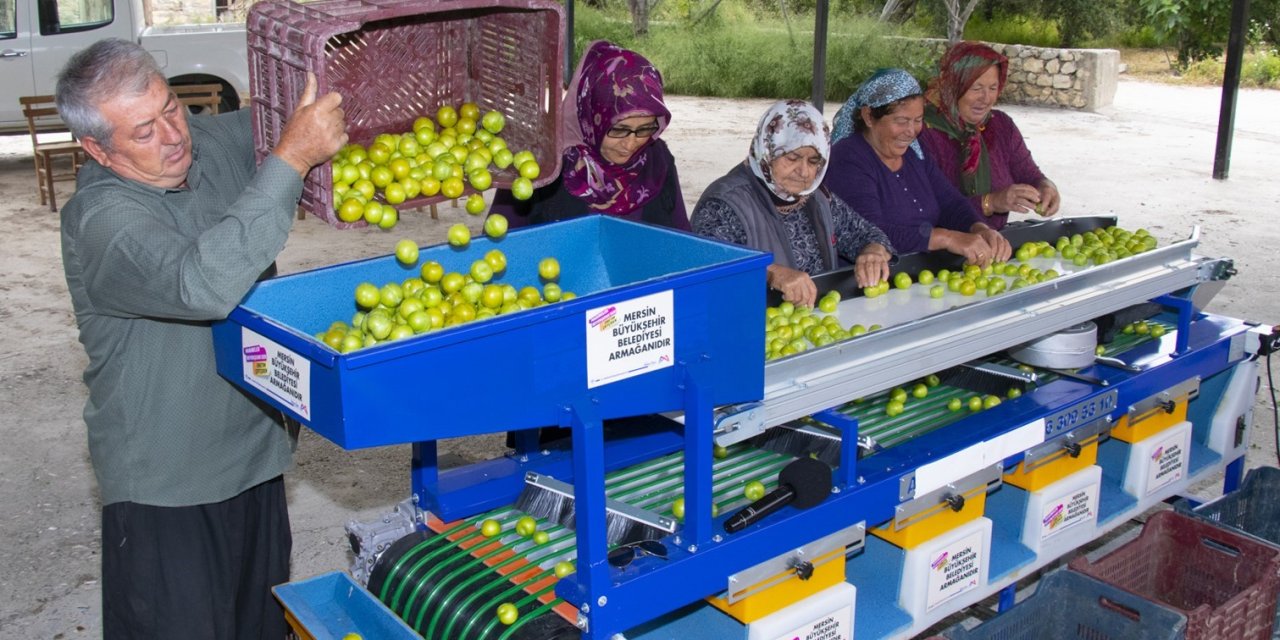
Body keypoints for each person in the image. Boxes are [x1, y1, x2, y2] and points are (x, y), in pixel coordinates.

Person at [56, 38, 346, 639]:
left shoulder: (203, 146)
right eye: (143, 131)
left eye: (170, 109)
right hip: (169, 488)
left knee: (260, 628)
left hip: (253, 458)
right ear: (97, 149)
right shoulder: (103, 222)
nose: (172, 136)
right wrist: (289, 162)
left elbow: (298, 117)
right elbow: (202, 284)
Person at [692, 99, 894, 307]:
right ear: (767, 150)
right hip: (753, 326)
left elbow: (865, 234)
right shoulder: (725, 203)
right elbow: (706, 267)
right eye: (792, 158)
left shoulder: (817, 197)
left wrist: (874, 251)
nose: (804, 171)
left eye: (814, 161)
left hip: (815, 323)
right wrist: (769, 273)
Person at [490, 40, 689, 230]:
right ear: (591, 117)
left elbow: (682, 239)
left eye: (645, 129)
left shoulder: (658, 160)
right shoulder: (542, 163)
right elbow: (500, 243)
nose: (629, 145)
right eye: (619, 130)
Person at [825, 69, 1011, 267]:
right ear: (869, 116)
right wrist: (947, 238)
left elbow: (950, 202)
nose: (911, 131)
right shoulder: (847, 159)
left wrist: (979, 228)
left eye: (918, 120)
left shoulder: (915, 153)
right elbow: (868, 232)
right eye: (902, 121)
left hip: (917, 275)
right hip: (870, 281)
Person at [919, 41, 1060, 229]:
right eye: (976, 88)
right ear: (953, 87)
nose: (986, 98)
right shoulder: (923, 132)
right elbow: (925, 210)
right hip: (939, 249)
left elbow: (1028, 173)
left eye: (993, 88)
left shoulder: (1001, 125)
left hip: (994, 247)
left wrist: (1046, 186)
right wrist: (990, 202)